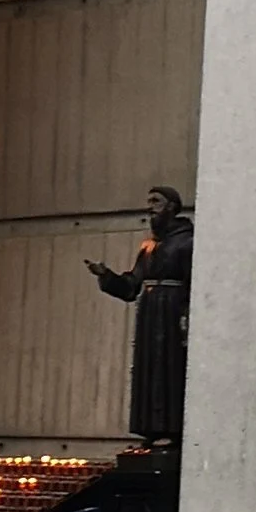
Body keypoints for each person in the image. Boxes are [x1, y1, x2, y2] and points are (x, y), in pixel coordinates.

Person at [88, 187, 194, 444]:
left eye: (156, 201)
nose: (150, 207)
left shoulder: (188, 241)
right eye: (149, 201)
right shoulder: (149, 246)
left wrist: (188, 316)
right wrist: (107, 275)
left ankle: (172, 429)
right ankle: (151, 428)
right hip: (149, 314)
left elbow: (194, 283)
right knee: (150, 367)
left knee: (169, 366)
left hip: (172, 311)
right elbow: (132, 286)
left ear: (172, 206)